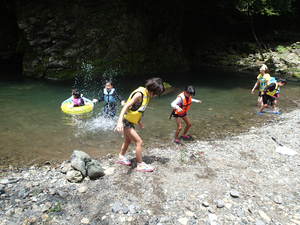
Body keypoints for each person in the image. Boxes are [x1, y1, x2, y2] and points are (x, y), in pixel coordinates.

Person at [114, 77, 165, 172]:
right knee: (139, 142)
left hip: (130, 121)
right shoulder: (139, 95)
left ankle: (121, 157)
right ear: (151, 89)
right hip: (126, 122)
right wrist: (119, 122)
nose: (154, 96)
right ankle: (140, 165)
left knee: (128, 141)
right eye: (154, 94)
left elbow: (137, 109)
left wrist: (139, 120)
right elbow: (126, 107)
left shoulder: (146, 95)